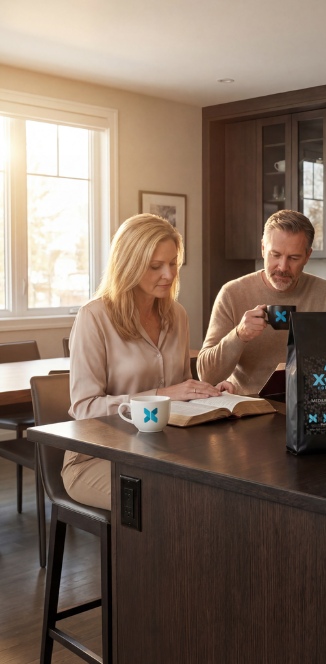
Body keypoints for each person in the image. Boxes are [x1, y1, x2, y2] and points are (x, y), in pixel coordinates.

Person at [63, 213, 233, 510]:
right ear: (128, 265)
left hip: (160, 451)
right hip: (97, 457)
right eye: (156, 266)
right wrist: (161, 396)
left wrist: (207, 395)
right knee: (167, 501)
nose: (168, 275)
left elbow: (179, 392)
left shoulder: (177, 315)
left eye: (172, 264)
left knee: (225, 487)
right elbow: (84, 408)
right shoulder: (94, 317)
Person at [197, 210, 326, 395]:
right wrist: (239, 335)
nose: (283, 267)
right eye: (275, 255)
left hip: (309, 406)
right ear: (262, 249)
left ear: (307, 256)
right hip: (248, 409)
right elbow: (206, 375)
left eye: (294, 258)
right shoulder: (231, 293)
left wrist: (314, 360)